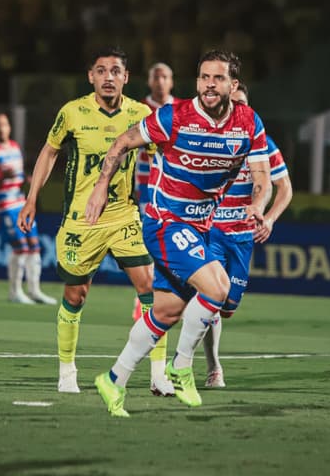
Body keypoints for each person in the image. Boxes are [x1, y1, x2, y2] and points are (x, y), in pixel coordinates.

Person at [88, 50, 272, 417]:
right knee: (216, 288)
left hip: (199, 227)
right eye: (204, 77)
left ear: (232, 85)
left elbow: (263, 175)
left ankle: (114, 379)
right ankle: (182, 366)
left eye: (217, 79)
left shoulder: (248, 122)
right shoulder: (175, 116)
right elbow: (122, 142)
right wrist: (101, 186)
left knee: (168, 311)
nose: (208, 85)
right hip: (164, 220)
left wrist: (258, 204)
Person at [18, 47, 174, 396]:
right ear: (91, 77)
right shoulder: (72, 112)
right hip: (81, 219)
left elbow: (161, 156)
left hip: (124, 215)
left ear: (125, 77)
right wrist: (31, 199)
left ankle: (158, 374)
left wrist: (165, 201)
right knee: (76, 294)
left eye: (115, 71)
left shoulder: (140, 112)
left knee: (153, 289)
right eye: (101, 71)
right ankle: (67, 371)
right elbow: (49, 151)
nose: (108, 77)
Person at [202, 83, 294, 388]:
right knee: (211, 298)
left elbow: (285, 189)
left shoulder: (264, 144)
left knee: (228, 308)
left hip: (243, 238)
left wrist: (269, 218)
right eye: (233, 104)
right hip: (211, 231)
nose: (237, 110)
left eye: (242, 104)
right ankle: (212, 367)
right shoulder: (210, 139)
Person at [0, 111, 56, 305]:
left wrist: (24, 180)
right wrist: (0, 176)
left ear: (9, 127)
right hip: (3, 206)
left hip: (21, 204)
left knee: (34, 246)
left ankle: (35, 290)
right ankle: (15, 291)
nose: (1, 128)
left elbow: (16, 175)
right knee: (21, 248)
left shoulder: (14, 147)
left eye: (4, 124)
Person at [131, 62, 187, 321]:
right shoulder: (138, 109)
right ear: (149, 81)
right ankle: (145, 297)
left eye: (165, 76)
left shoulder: (181, 110)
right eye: (156, 76)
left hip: (177, 190)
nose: (160, 81)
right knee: (151, 242)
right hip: (146, 188)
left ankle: (174, 294)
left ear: (172, 81)